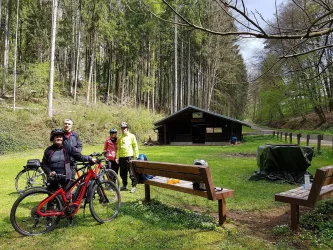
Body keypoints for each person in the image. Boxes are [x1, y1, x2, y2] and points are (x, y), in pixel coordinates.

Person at [41, 128, 94, 226]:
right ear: (53, 138)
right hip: (53, 179)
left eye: (60, 136)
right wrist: (49, 172)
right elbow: (43, 164)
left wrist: (89, 158)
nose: (59, 138)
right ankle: (49, 220)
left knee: (67, 199)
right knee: (51, 200)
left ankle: (69, 218)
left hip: (66, 178)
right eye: (57, 136)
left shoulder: (67, 148)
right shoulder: (48, 151)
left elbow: (79, 156)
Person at [116, 121, 139, 193]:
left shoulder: (131, 136)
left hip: (129, 156)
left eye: (125, 128)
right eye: (122, 128)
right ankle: (124, 185)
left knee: (131, 172)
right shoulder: (120, 138)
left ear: (127, 128)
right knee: (122, 173)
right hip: (122, 157)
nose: (123, 129)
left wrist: (137, 155)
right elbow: (118, 148)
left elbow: (135, 146)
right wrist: (117, 157)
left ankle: (133, 186)